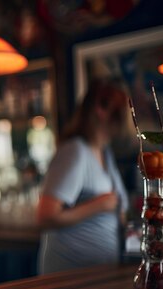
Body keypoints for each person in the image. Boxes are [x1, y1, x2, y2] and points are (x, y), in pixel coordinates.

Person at [36, 77, 130, 274]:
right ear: (101, 109)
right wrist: (98, 205)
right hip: (70, 276)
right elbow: (45, 216)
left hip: (100, 272)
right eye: (122, 111)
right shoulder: (75, 151)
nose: (127, 119)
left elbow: (116, 206)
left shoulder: (106, 154)